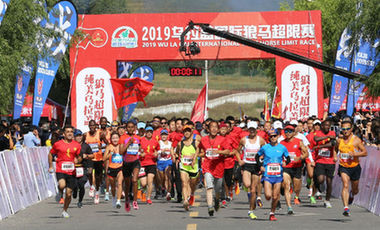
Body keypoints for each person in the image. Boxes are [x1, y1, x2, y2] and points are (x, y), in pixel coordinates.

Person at [48, 126, 81, 218]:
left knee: (69, 194)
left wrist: (78, 160)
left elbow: (79, 156)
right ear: (64, 134)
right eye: (68, 132)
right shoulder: (58, 144)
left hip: (72, 171)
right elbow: (51, 154)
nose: (70, 133)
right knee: (62, 185)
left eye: (71, 132)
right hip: (60, 169)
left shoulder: (77, 145)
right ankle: (60, 192)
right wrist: (50, 166)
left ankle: (65, 210)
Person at [336, 120, 367, 216]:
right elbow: (335, 148)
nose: (345, 131)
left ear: (351, 129)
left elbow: (365, 152)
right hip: (343, 166)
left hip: (355, 167)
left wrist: (355, 154)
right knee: (345, 184)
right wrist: (334, 156)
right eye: (343, 129)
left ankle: (352, 194)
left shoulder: (356, 140)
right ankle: (346, 208)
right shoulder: (339, 140)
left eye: (347, 129)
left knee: (355, 189)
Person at [258, 129, 290, 221]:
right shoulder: (265, 147)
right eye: (271, 136)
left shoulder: (282, 148)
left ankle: (272, 213)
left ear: (278, 136)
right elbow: (257, 157)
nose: (273, 138)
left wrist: (285, 163)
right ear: (269, 137)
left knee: (275, 196)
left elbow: (288, 158)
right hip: (268, 174)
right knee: (268, 196)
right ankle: (267, 194)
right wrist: (260, 166)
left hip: (278, 175)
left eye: (274, 136)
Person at [199, 121, 230, 216]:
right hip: (208, 167)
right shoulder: (203, 140)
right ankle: (210, 207)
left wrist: (219, 151)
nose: (214, 129)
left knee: (217, 189)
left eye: (216, 127)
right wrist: (195, 156)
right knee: (209, 187)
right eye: (212, 127)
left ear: (218, 129)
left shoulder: (222, 139)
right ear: (208, 129)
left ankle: (217, 200)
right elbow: (201, 151)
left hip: (219, 168)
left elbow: (228, 151)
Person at [235, 121, 266, 220]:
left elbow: (266, 151)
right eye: (250, 129)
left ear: (256, 129)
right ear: (248, 130)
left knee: (253, 189)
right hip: (247, 165)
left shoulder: (260, 140)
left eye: (253, 129)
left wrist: (262, 162)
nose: (252, 131)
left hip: (256, 166)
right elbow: (237, 150)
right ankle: (252, 199)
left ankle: (251, 210)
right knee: (247, 185)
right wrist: (240, 160)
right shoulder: (244, 140)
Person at [280, 125, 308, 214]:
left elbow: (306, 153)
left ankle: (296, 195)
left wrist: (300, 157)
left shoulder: (299, 142)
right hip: (286, 167)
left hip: (296, 167)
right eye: (286, 131)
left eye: (290, 131)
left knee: (297, 186)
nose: (288, 133)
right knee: (286, 185)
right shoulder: (281, 143)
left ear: (294, 132)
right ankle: (289, 207)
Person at [313, 120, 337, 208]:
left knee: (329, 182)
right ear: (322, 126)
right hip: (320, 160)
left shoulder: (333, 133)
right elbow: (316, 139)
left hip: (330, 161)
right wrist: (327, 136)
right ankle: (320, 184)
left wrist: (319, 146)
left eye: (329, 125)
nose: (327, 127)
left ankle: (327, 200)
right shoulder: (317, 133)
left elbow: (332, 144)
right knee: (320, 179)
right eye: (326, 125)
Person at [119, 121, 142, 211]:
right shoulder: (123, 137)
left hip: (135, 161)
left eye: (132, 127)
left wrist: (142, 152)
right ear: (126, 128)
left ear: (135, 128)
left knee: (135, 180)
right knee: (127, 184)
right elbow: (121, 152)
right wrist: (128, 143)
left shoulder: (138, 138)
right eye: (128, 127)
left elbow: (139, 149)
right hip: (126, 162)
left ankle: (135, 201)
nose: (130, 129)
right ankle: (127, 200)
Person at [177, 125, 200, 211]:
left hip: (193, 167)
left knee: (192, 184)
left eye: (188, 131)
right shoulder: (180, 144)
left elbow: (202, 152)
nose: (187, 132)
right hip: (184, 166)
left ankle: (192, 194)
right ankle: (185, 200)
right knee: (184, 182)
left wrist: (194, 158)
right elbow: (177, 153)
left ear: (191, 132)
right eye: (185, 131)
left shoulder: (196, 143)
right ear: (183, 133)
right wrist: (176, 158)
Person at [84, 120, 104, 204]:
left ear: (96, 126)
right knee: (89, 172)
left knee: (98, 177)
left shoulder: (100, 134)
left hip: (99, 158)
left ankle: (97, 191)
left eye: (93, 125)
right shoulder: (85, 135)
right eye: (90, 125)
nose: (92, 127)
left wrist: (101, 146)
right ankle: (92, 186)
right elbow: (82, 144)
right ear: (89, 126)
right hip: (90, 158)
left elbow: (107, 143)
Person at [73, 129, 94, 208]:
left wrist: (87, 156)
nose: (78, 138)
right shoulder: (71, 145)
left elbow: (93, 156)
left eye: (80, 136)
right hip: (74, 168)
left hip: (84, 167)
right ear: (74, 137)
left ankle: (80, 201)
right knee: (75, 184)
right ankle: (75, 190)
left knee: (81, 184)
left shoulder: (86, 146)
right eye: (77, 136)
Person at [103, 132, 124, 209]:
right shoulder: (109, 147)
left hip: (120, 168)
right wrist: (111, 153)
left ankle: (118, 201)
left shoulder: (121, 146)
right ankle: (114, 197)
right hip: (111, 169)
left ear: (119, 139)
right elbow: (104, 158)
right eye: (113, 138)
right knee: (113, 186)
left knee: (119, 183)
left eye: (116, 138)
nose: (115, 140)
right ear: (111, 139)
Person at [140, 126, 159, 205]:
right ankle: (143, 190)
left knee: (150, 181)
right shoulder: (141, 140)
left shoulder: (155, 141)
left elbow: (158, 150)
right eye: (147, 132)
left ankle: (148, 198)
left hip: (152, 163)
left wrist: (156, 154)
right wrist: (141, 154)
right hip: (142, 164)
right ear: (145, 132)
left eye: (151, 132)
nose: (149, 133)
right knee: (144, 183)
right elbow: (137, 150)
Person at [157, 129, 174, 201]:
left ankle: (168, 193)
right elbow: (155, 151)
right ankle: (163, 187)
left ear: (167, 135)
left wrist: (173, 158)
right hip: (160, 161)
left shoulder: (170, 143)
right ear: (160, 135)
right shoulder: (158, 143)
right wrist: (161, 152)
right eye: (162, 134)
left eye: (165, 134)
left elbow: (173, 152)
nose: (164, 136)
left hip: (168, 161)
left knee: (167, 177)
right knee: (162, 178)